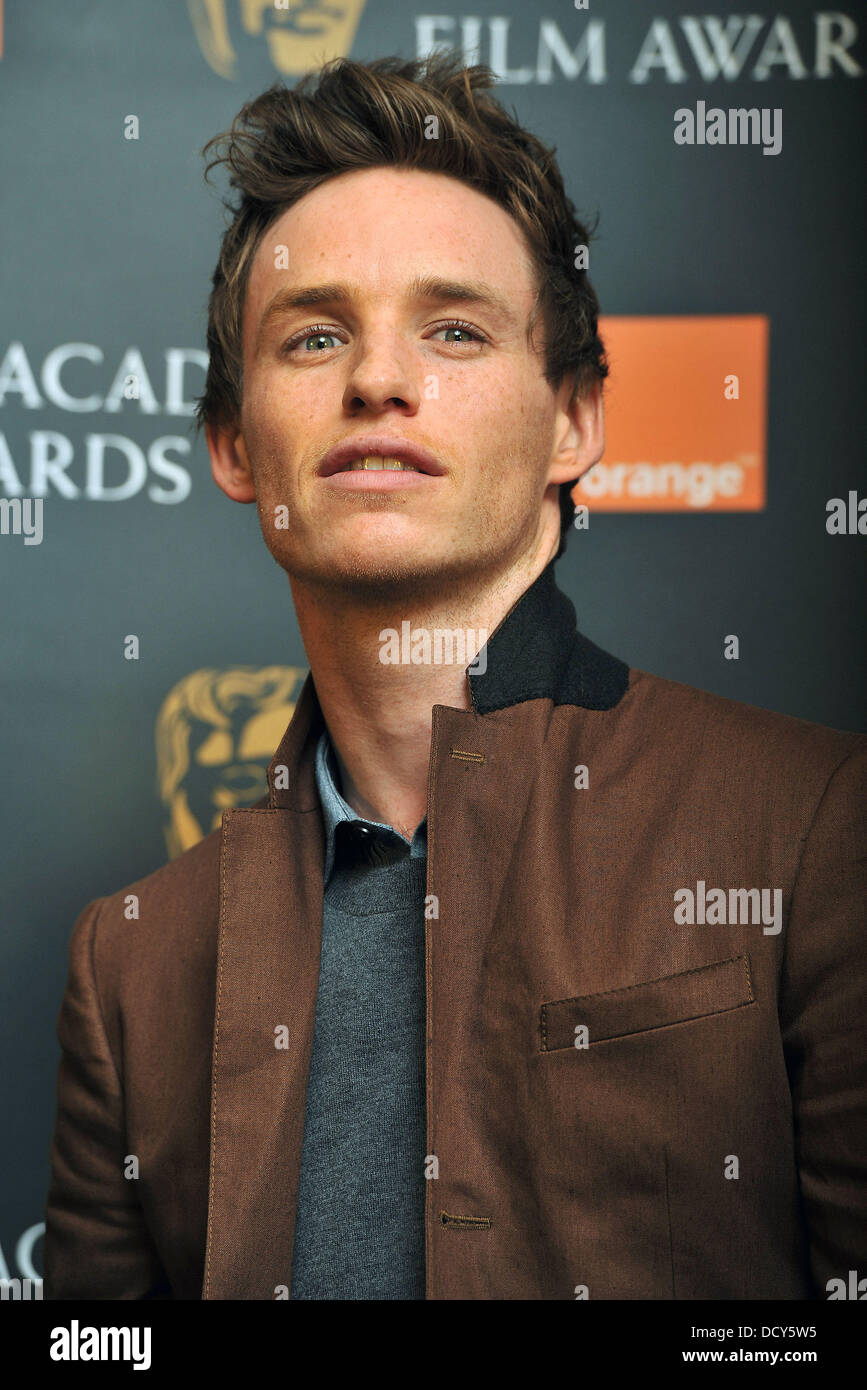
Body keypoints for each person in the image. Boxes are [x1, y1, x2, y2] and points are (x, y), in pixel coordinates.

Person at [44, 52, 866, 1301]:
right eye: (315, 334)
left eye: (454, 329)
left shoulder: (815, 827)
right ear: (232, 444)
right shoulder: (132, 964)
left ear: (572, 425)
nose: (380, 380)